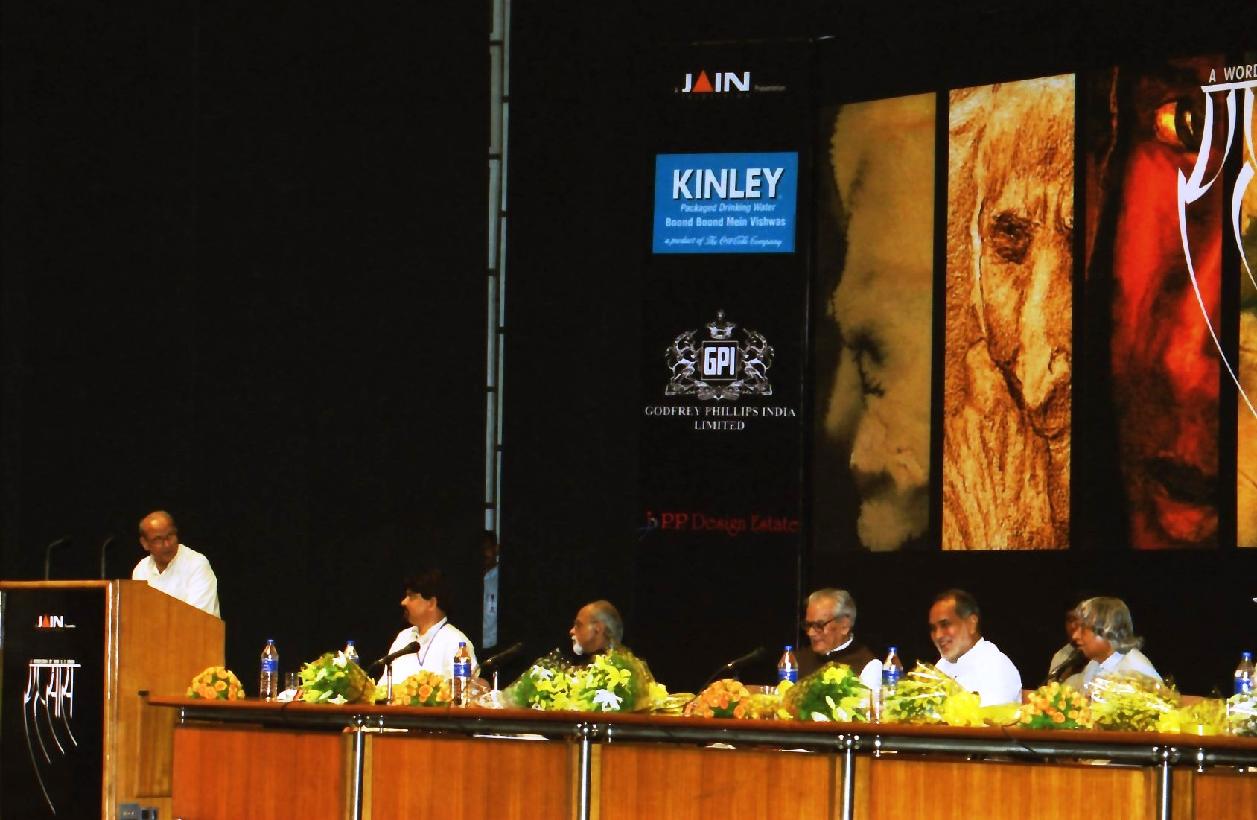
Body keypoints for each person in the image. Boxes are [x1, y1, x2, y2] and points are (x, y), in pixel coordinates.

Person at [929, 588, 1021, 705]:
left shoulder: (995, 666)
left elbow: (989, 716)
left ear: (971, 623)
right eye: (933, 628)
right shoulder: (942, 665)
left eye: (945, 625)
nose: (938, 635)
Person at [387, 569, 476, 684]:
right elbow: (383, 688)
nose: (404, 602)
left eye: (411, 596)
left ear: (431, 603)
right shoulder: (402, 638)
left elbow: (466, 690)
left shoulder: (456, 642)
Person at [131, 510, 220, 617]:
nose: (167, 544)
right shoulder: (141, 570)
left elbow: (197, 617)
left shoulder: (196, 564)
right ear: (145, 543)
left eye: (170, 536)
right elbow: (138, 615)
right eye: (158, 539)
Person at [796, 588, 881, 690]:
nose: (810, 633)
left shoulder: (867, 666)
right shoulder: (796, 661)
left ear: (845, 626)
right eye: (808, 625)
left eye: (819, 625)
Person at [1069, 596, 1160, 691]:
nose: (1075, 636)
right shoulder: (1094, 665)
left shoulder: (1136, 669)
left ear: (1106, 630)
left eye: (1083, 629)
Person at [1045, 604, 1087, 686]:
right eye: (1070, 620)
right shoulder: (1062, 656)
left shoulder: (1108, 662)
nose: (1073, 626)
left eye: (1080, 620)